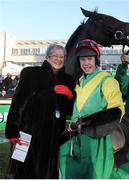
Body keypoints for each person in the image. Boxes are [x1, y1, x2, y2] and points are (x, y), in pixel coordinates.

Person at [58, 39, 129, 179]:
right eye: (82, 59)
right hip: (77, 136)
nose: (86, 63)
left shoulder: (107, 80)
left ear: (96, 59)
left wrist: (91, 123)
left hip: (98, 139)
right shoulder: (80, 81)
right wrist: (70, 96)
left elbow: (117, 109)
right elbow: (80, 107)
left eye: (89, 59)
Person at [5, 44, 76, 179]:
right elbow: (18, 104)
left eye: (62, 57)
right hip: (29, 136)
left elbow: (70, 111)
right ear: (47, 57)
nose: (58, 59)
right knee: (26, 173)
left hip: (55, 139)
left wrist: (70, 95)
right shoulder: (31, 74)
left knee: (50, 173)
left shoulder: (68, 80)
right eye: (55, 56)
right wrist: (13, 132)